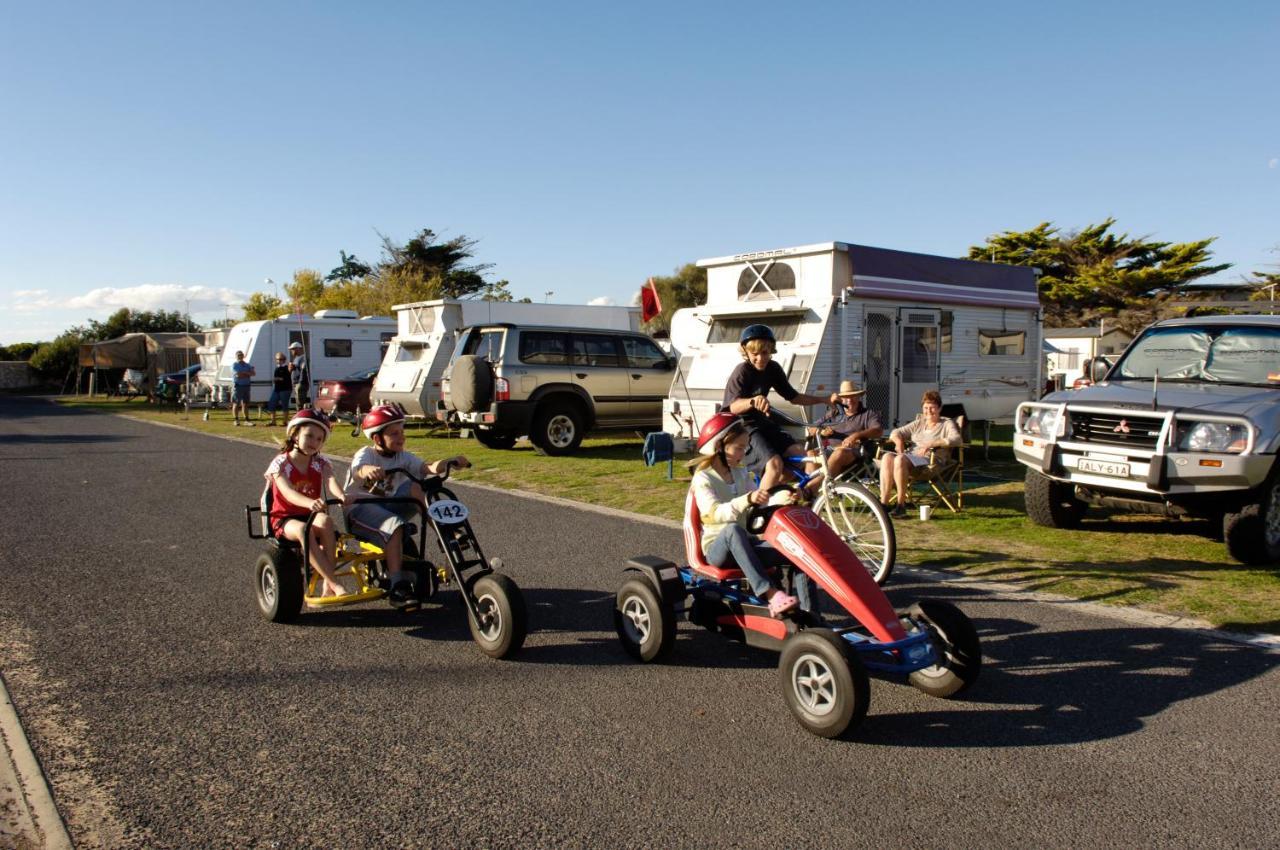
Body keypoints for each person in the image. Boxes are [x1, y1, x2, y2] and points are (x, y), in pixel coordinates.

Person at [688, 411, 812, 618]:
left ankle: (810, 615)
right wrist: (746, 499)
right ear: (719, 447)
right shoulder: (703, 479)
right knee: (732, 529)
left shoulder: (740, 473)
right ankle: (770, 594)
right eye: (739, 448)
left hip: (747, 544)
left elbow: (760, 500)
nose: (743, 453)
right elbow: (714, 514)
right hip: (718, 550)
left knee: (798, 550)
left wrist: (785, 496)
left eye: (746, 448)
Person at [344, 404, 471, 606]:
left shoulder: (403, 456)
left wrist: (449, 461)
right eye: (394, 433)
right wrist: (368, 470)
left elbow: (427, 468)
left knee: (415, 487)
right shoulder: (367, 453)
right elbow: (358, 469)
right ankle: (397, 587)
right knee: (395, 525)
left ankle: (445, 534)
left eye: (402, 432)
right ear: (377, 438)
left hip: (388, 507)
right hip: (360, 509)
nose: (401, 437)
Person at [723, 324, 840, 493]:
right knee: (775, 464)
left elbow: (794, 397)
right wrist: (753, 401)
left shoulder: (773, 368)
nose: (760, 358)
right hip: (743, 427)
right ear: (746, 353)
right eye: (754, 354)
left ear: (771, 351)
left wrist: (823, 399)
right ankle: (758, 512)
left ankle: (802, 497)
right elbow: (732, 406)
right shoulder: (742, 371)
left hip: (764, 423)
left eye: (765, 353)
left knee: (802, 455)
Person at [264, 409, 349, 598]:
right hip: (285, 518)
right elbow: (288, 492)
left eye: (319, 439)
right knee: (304, 530)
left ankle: (328, 583)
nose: (314, 442)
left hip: (311, 513)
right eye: (309, 436)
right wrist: (310, 502)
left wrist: (342, 496)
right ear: (294, 434)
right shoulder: (281, 463)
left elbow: (330, 481)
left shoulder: (320, 463)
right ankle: (335, 582)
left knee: (326, 522)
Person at [878, 389, 962, 518]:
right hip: (911, 459)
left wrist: (932, 444)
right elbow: (895, 432)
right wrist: (899, 442)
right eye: (925, 407)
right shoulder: (919, 423)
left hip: (930, 462)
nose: (928, 411)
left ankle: (901, 505)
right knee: (887, 457)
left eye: (932, 408)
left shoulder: (946, 424)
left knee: (900, 459)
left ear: (939, 408)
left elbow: (957, 439)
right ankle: (884, 504)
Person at [806, 379, 884, 481]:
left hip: (853, 452)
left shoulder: (868, 414)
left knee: (839, 453)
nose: (850, 400)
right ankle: (813, 489)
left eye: (853, 396)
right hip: (830, 449)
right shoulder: (833, 413)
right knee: (811, 454)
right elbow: (811, 428)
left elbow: (878, 430)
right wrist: (821, 431)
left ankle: (817, 485)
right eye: (846, 397)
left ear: (859, 396)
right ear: (841, 399)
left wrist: (856, 435)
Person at [230, 350, 256, 426]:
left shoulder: (247, 365)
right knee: (236, 403)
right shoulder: (234, 365)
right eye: (238, 355)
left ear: (243, 356)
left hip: (246, 386)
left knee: (245, 404)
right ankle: (236, 420)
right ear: (236, 357)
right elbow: (238, 375)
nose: (240, 356)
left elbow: (253, 373)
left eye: (241, 355)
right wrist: (247, 374)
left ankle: (246, 420)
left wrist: (244, 373)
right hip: (238, 386)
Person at [266, 353, 291, 426]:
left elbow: (286, 378)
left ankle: (285, 422)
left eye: (281, 359)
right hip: (277, 389)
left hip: (285, 389)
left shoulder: (286, 368)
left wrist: (278, 378)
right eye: (277, 359)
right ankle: (273, 421)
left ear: (284, 360)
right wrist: (276, 379)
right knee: (271, 403)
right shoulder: (277, 368)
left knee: (284, 405)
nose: (279, 361)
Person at [288, 341, 310, 410]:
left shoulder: (303, 358)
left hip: (300, 383)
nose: (291, 351)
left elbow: (303, 370)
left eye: (292, 349)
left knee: (300, 403)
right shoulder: (296, 359)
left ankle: (300, 417)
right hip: (296, 383)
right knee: (298, 402)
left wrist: (300, 383)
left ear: (298, 349)